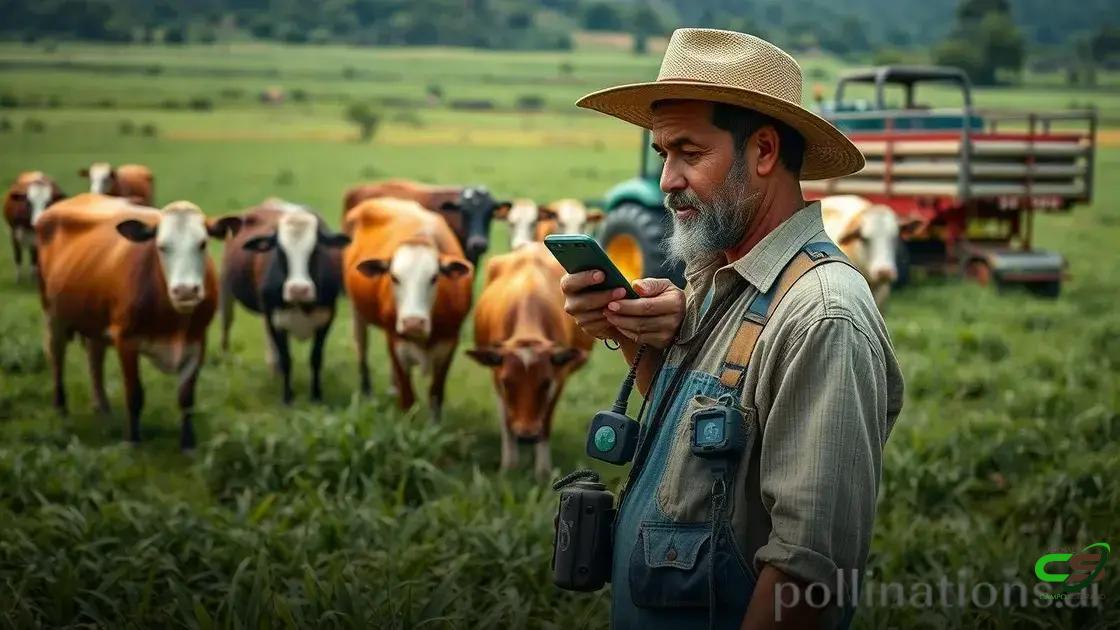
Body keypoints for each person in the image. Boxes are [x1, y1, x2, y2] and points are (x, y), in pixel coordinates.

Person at [562, 29, 905, 629]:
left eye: (688, 153)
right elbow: (701, 461)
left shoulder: (822, 316)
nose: (667, 179)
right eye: (663, 154)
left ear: (764, 152)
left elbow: (807, 575)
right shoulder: (720, 280)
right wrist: (638, 341)